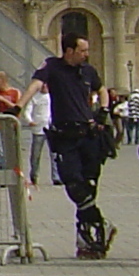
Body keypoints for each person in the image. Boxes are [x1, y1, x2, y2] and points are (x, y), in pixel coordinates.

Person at [27, 34, 111, 257]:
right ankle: (100, 223)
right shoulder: (52, 67)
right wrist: (18, 106)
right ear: (69, 51)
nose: (86, 54)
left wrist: (103, 111)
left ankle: (88, 241)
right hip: (66, 135)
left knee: (88, 186)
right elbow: (35, 84)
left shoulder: (88, 71)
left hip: (89, 135)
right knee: (73, 182)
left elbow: (101, 89)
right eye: (82, 50)